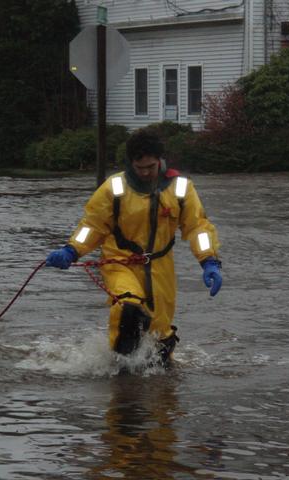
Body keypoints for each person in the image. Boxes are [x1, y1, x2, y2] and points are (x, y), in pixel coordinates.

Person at [45, 128, 222, 364]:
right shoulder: (114, 188)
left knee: (161, 334)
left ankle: (161, 380)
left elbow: (198, 227)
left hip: (161, 267)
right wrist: (72, 250)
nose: (146, 172)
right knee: (128, 306)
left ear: (160, 160)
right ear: (131, 163)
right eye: (141, 168)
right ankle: (119, 369)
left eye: (151, 166)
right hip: (120, 262)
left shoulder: (180, 188)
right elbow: (93, 225)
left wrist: (209, 261)